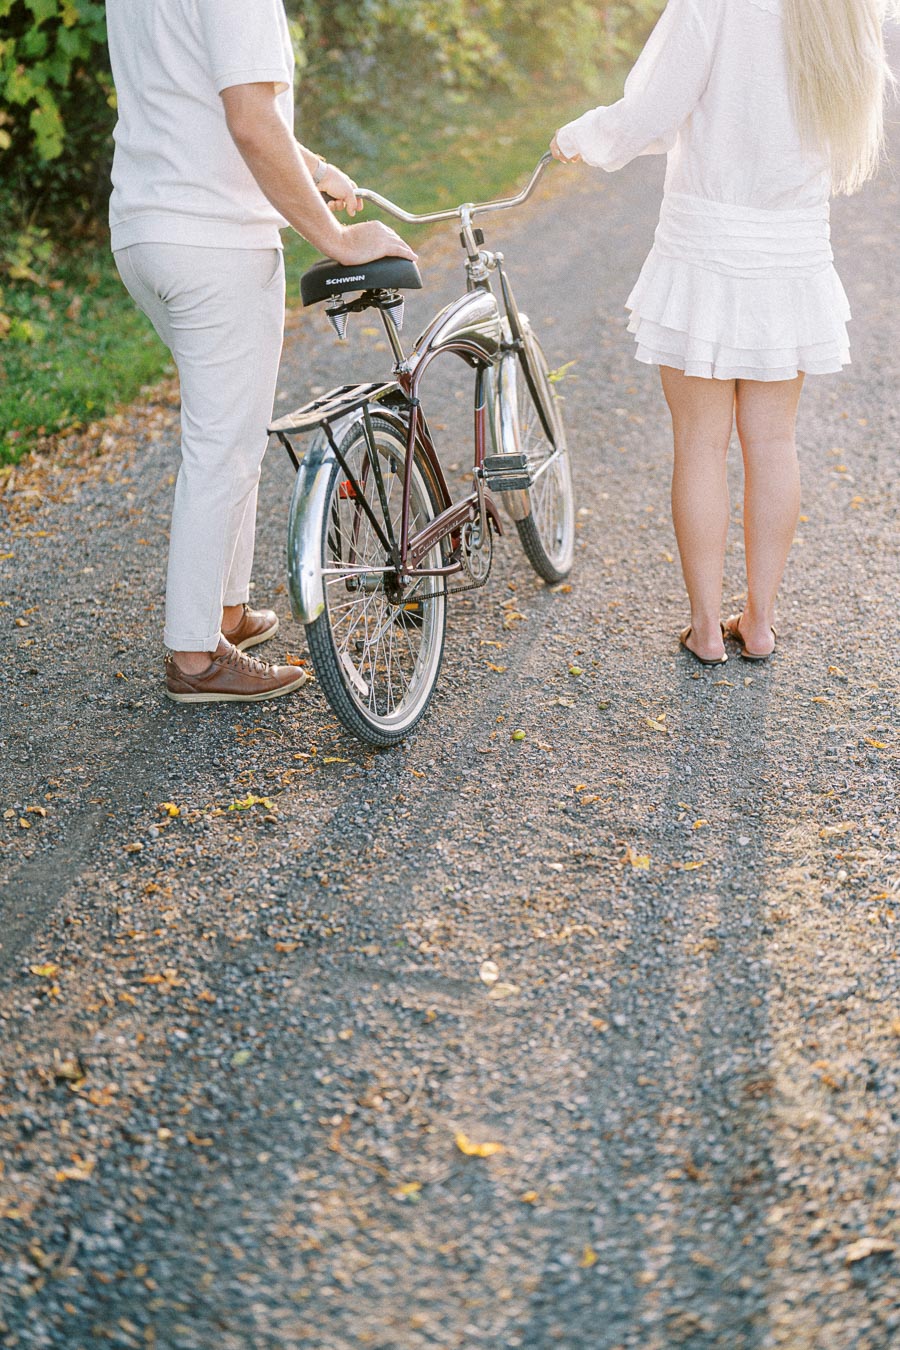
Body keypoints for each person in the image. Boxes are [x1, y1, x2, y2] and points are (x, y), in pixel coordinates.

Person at [551, 0, 895, 664]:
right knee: (773, 442)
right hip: (791, 251)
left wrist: (581, 137)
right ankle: (760, 623)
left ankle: (707, 630)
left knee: (700, 444)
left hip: (704, 245)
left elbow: (655, 111)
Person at [105, 0, 416, 702]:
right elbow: (249, 118)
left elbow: (206, 98)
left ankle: (226, 613)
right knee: (222, 445)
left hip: (146, 230)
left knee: (232, 429)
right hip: (213, 238)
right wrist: (337, 241)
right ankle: (194, 656)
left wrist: (316, 168)